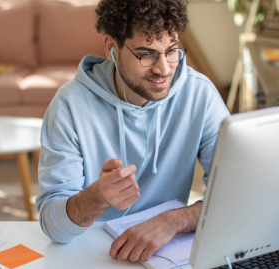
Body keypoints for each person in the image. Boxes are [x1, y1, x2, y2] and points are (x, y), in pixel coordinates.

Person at [35, 0, 230, 263]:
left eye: (171, 51)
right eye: (146, 54)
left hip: (167, 253)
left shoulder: (199, 95)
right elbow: (53, 227)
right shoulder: (70, 106)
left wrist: (172, 222)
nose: (163, 68)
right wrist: (98, 197)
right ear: (111, 48)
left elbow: (240, 194)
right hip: (95, 256)